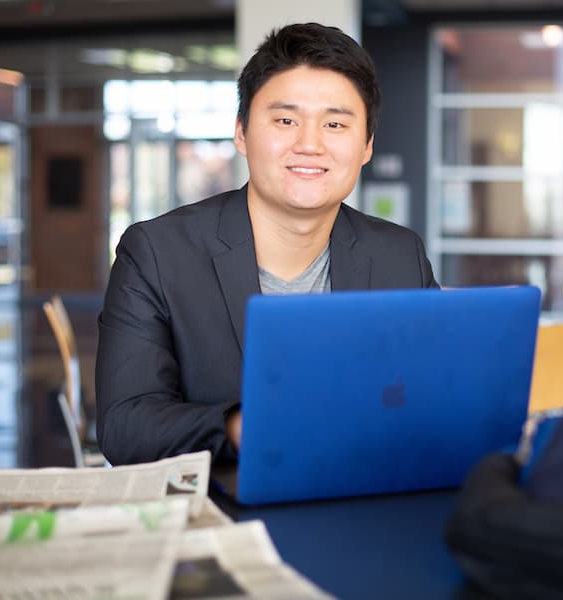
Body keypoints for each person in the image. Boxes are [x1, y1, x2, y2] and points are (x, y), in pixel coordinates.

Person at [96, 22, 438, 466]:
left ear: (367, 145)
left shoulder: (400, 256)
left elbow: (434, 396)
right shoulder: (157, 253)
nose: (310, 144)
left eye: (335, 123)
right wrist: (242, 425)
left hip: (361, 504)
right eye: (285, 120)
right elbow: (125, 426)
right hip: (223, 518)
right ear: (241, 132)